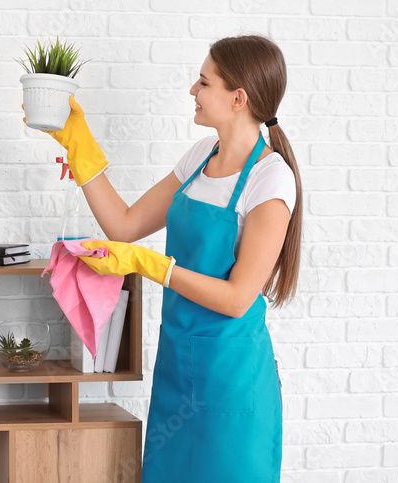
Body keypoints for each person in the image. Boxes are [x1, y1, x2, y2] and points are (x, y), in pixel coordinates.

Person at [34, 34, 303, 481]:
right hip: (178, 369)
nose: (192, 92)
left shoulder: (270, 179)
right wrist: (78, 145)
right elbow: (123, 225)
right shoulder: (200, 158)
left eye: (203, 82)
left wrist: (149, 264)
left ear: (238, 98)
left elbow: (238, 298)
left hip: (232, 384)